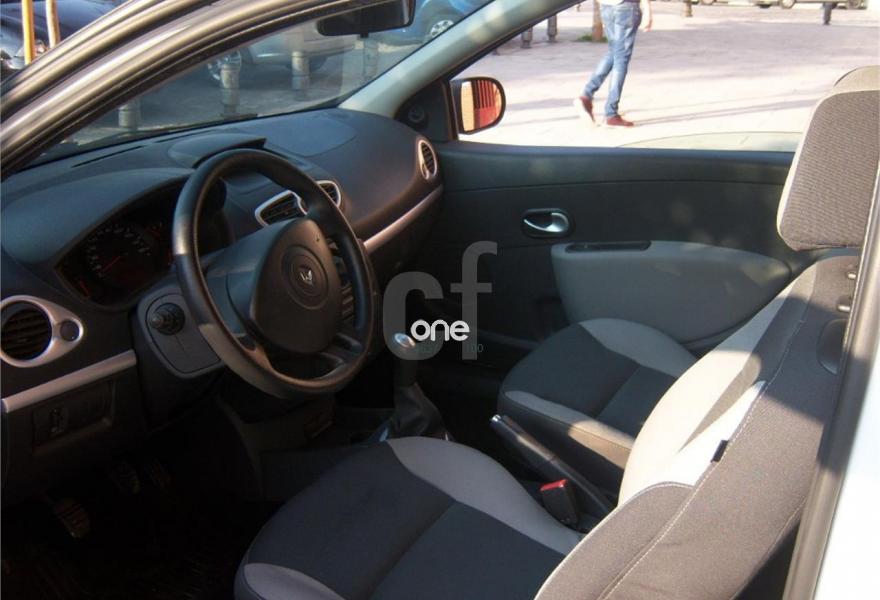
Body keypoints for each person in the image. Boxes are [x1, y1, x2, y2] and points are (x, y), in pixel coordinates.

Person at [575, 0, 652, 127]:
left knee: (614, 52)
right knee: (621, 57)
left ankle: (586, 96)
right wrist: (647, 9)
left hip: (606, 6)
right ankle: (611, 113)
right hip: (626, 6)